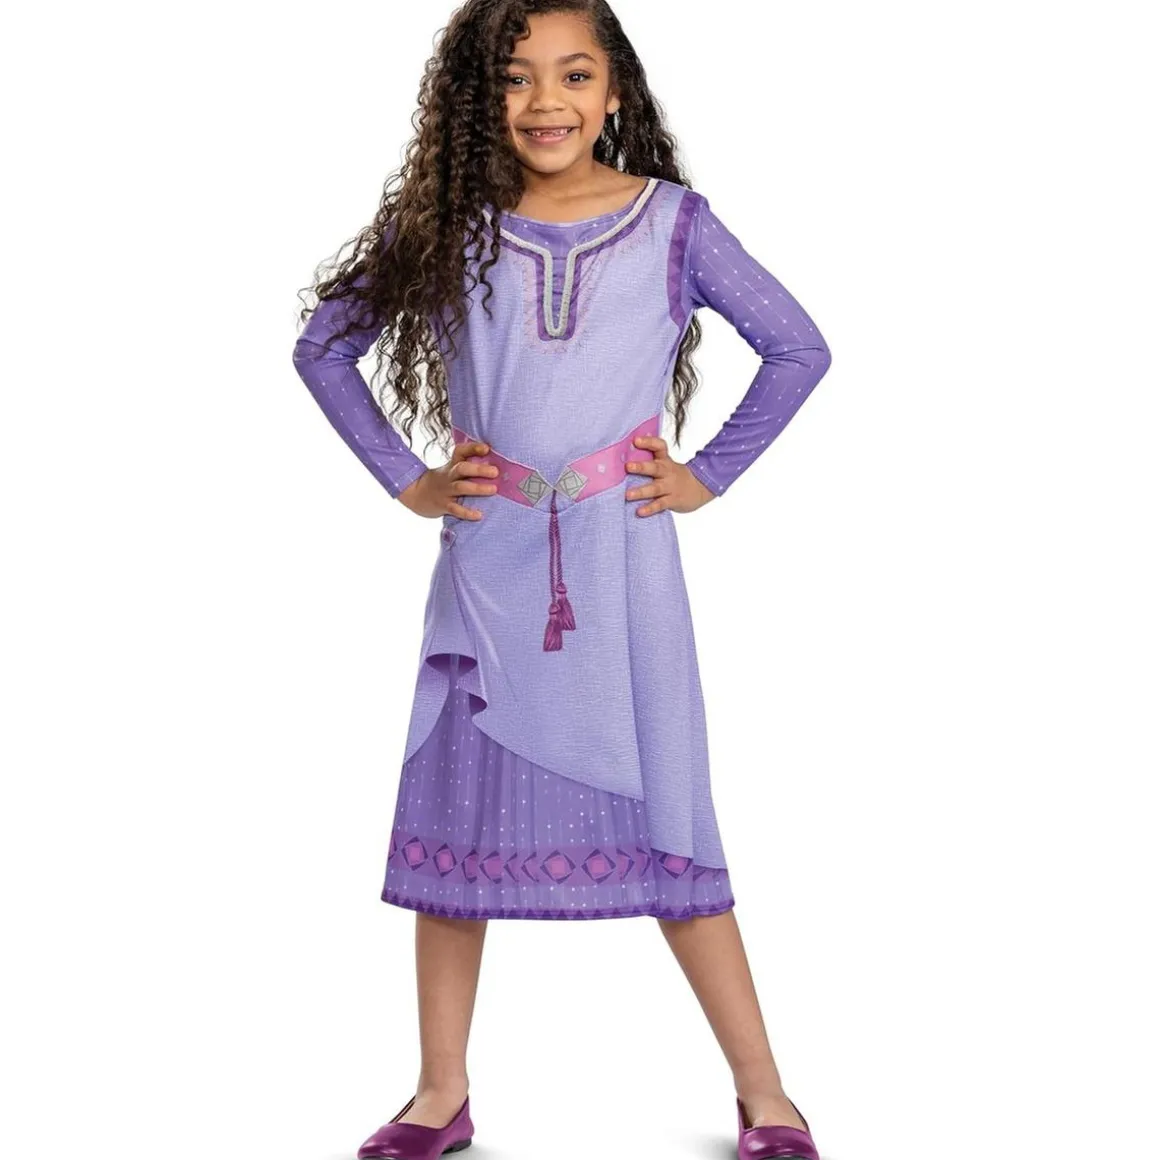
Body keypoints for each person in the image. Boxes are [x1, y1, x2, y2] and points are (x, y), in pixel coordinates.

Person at [291, 3, 832, 1158]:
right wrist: (409, 479)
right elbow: (322, 346)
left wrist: (706, 474)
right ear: (476, 99)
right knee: (454, 830)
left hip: (619, 568)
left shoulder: (671, 225)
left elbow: (798, 347)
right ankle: (439, 1091)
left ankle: (765, 1091)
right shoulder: (448, 227)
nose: (545, 101)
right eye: (515, 77)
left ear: (614, 91)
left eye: (573, 75)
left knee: (670, 815)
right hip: (487, 576)